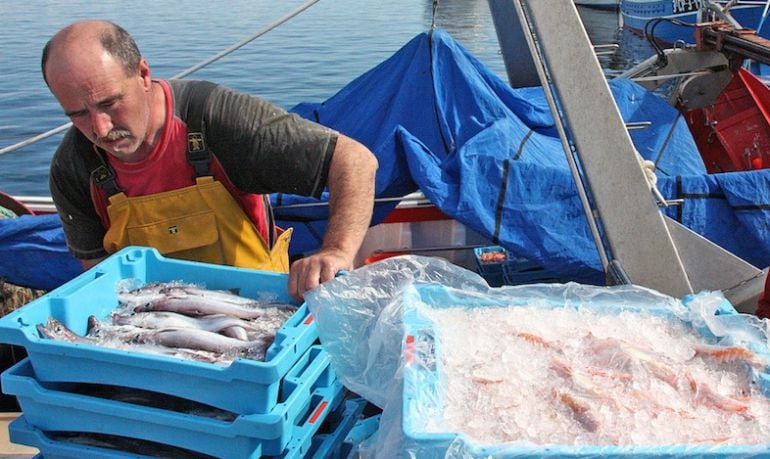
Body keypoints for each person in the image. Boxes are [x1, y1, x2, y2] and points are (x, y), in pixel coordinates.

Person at [42, 20, 378, 300]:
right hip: (152, 325)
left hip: (258, 309)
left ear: (143, 74)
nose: (100, 129)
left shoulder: (217, 121)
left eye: (110, 103)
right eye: (78, 114)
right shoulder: (74, 167)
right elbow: (101, 276)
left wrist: (336, 251)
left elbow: (354, 160)